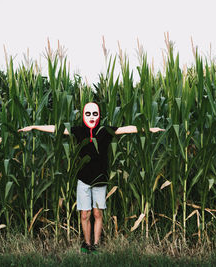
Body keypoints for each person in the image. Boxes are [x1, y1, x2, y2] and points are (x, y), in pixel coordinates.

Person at [18, 102, 165, 253]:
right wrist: (34, 127)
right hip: (83, 180)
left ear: (99, 115)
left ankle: (95, 244)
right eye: (88, 114)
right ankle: (87, 244)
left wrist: (149, 129)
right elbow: (57, 128)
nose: (91, 117)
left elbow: (127, 129)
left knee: (97, 213)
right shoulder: (79, 131)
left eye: (95, 114)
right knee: (84, 214)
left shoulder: (105, 131)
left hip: (100, 180)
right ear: (83, 115)